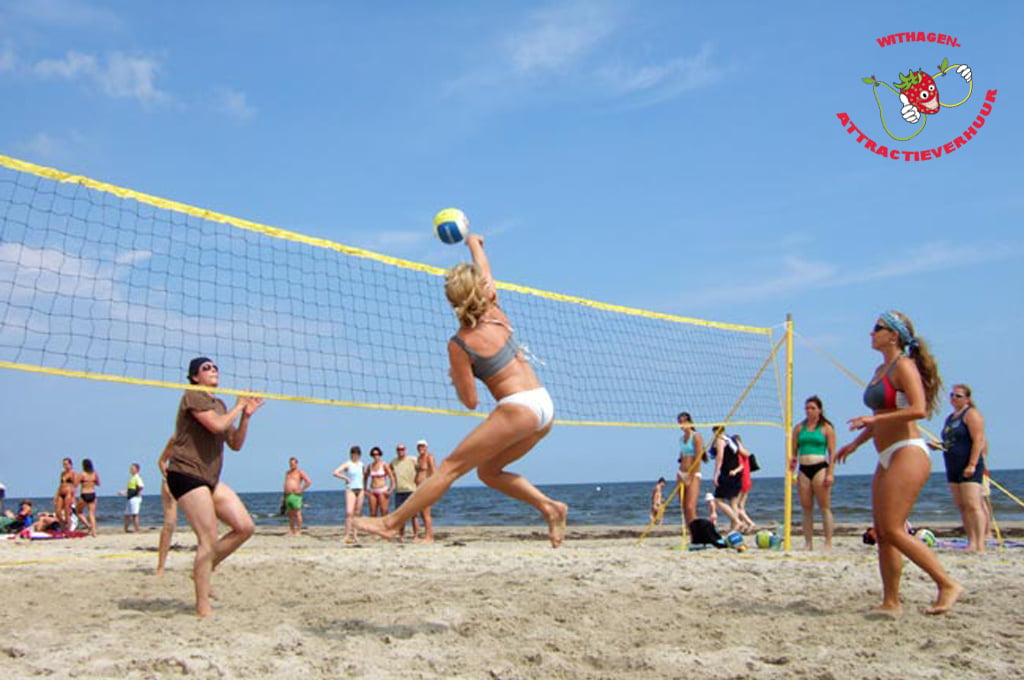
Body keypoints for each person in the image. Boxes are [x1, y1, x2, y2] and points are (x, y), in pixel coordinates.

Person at [355, 233, 568, 547]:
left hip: (518, 407)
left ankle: (391, 522)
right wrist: (473, 244)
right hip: (544, 406)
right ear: (479, 290)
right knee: (488, 471)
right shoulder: (496, 312)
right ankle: (550, 506)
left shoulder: (460, 343)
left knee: (450, 469)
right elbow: (485, 271)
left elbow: (470, 402)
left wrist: (457, 378)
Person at [836, 311, 963, 616]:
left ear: (893, 335)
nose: (871, 333)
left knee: (894, 528)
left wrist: (873, 419)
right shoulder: (881, 368)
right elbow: (881, 414)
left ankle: (947, 584)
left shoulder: (904, 366)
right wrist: (856, 443)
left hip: (908, 449)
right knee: (882, 531)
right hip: (886, 454)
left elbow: (919, 409)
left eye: (876, 329)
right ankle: (891, 601)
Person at [164, 356, 263, 617]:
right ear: (195, 377)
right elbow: (216, 425)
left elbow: (236, 443)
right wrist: (239, 405)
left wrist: (246, 417)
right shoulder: (193, 395)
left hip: (209, 477)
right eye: (206, 368)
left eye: (215, 367)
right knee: (208, 539)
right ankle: (202, 608)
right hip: (184, 473)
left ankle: (201, 570)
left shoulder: (219, 404)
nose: (213, 370)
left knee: (245, 527)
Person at [930, 383, 988, 553]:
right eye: (952, 395)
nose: (954, 398)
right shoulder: (950, 418)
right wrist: (938, 445)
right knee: (962, 505)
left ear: (967, 399)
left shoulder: (971, 414)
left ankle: (980, 543)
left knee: (973, 504)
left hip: (968, 463)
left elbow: (978, 440)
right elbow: (951, 442)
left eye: (958, 396)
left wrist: (972, 464)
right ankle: (971, 541)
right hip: (952, 463)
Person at [790, 396, 836, 551]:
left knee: (824, 506)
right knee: (806, 507)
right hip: (803, 469)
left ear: (819, 410)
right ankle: (808, 542)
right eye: (807, 408)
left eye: (812, 408)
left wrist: (830, 473)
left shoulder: (826, 428)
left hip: (820, 467)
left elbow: (832, 452)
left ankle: (828, 542)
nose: (809, 411)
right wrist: (792, 466)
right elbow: (794, 450)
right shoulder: (799, 428)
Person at [674, 412, 706, 524]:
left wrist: (690, 476)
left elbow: (698, 458)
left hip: (693, 474)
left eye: (684, 422)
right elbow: (682, 457)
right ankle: (690, 533)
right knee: (684, 508)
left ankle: (697, 534)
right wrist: (680, 474)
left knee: (690, 507)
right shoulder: (681, 439)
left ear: (689, 422)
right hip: (681, 473)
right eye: (680, 423)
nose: (682, 425)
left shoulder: (696, 436)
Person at [710, 429, 743, 532]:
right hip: (736, 473)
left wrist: (715, 474)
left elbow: (719, 457)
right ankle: (734, 529)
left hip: (727, 473)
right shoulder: (732, 440)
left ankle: (737, 521)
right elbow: (745, 453)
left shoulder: (720, 440)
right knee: (733, 502)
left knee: (718, 500)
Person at [332, 446, 365, 544]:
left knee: (357, 513)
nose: (355, 455)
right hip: (350, 489)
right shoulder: (348, 464)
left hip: (360, 489)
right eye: (353, 453)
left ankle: (355, 535)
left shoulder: (361, 464)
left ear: (359, 455)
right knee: (349, 512)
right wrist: (345, 478)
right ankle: (346, 535)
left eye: (357, 454)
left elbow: (363, 476)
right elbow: (335, 472)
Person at [155, 437, 177, 576]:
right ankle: (161, 566)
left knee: (204, 525)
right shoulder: (177, 438)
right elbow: (162, 461)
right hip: (173, 480)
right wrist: (167, 479)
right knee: (169, 524)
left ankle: (211, 563)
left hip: (195, 482)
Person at [389, 443, 419, 541]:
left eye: (402, 449)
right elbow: (387, 470)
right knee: (400, 516)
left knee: (413, 515)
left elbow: (422, 468)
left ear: (405, 450)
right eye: (398, 449)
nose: (400, 451)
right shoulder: (394, 462)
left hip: (411, 490)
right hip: (399, 491)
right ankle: (402, 535)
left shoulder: (412, 459)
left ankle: (416, 535)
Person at [413, 440, 437, 543]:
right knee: (422, 513)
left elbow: (434, 472)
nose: (420, 448)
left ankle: (429, 537)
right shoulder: (418, 458)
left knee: (426, 513)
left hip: (425, 487)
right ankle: (429, 535)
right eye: (419, 447)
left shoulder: (429, 457)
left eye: (422, 446)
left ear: (426, 447)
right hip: (418, 488)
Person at [732, 434, 756, 533]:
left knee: (735, 505)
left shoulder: (739, 454)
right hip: (747, 480)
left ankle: (749, 523)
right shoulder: (744, 452)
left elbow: (741, 466)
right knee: (741, 506)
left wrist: (734, 471)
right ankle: (742, 525)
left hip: (742, 480)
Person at [283, 457, 312, 536]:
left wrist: (301, 489)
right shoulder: (287, 473)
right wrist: (284, 495)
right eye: (290, 464)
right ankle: (292, 530)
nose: (291, 465)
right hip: (288, 495)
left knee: (297, 513)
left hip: (296, 494)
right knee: (290, 514)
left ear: (296, 464)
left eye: (293, 463)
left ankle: (298, 530)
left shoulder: (300, 472)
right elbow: (286, 483)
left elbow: (308, 481)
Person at [365, 446, 394, 520]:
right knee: (373, 512)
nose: (376, 456)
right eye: (374, 454)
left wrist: (390, 490)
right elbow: (365, 478)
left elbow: (392, 479)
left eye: (377, 454)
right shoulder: (370, 466)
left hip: (382, 490)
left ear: (380, 455)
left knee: (384, 511)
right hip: (372, 490)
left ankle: (385, 529)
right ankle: (374, 529)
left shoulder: (384, 465)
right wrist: (365, 489)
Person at [76, 458, 101, 537]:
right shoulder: (94, 474)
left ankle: (88, 525)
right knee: (91, 514)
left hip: (84, 494)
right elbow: (98, 483)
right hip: (92, 493)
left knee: (78, 512)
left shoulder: (82, 474)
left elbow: (75, 484)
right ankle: (94, 531)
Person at [119, 463, 145, 533]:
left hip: (135, 498)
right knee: (127, 514)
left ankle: (137, 529)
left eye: (132, 468)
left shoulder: (137, 477)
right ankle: (126, 529)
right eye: (131, 468)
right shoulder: (132, 478)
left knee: (135, 514)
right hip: (130, 497)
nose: (131, 470)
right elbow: (130, 489)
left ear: (136, 469)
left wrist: (138, 494)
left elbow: (141, 486)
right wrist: (123, 492)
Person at [55, 457, 76, 532]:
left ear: (70, 464)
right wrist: (56, 496)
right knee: (58, 512)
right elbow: (60, 484)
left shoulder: (73, 473)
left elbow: (74, 485)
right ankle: (63, 527)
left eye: (67, 464)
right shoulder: (62, 473)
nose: (65, 466)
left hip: (68, 493)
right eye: (64, 464)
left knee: (67, 512)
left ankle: (69, 529)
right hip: (61, 492)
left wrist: (73, 497)